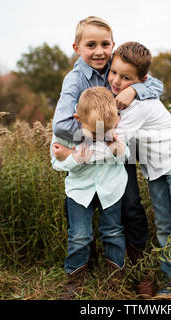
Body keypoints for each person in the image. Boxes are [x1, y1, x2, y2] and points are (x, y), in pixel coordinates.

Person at [63, 41, 171, 298]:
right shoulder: (123, 99)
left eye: (126, 78)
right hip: (155, 168)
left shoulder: (139, 105)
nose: (117, 81)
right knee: (165, 226)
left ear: (142, 80)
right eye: (114, 73)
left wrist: (73, 154)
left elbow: (112, 144)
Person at [52, 16, 162, 296]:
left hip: (120, 153)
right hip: (91, 150)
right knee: (78, 212)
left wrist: (135, 89)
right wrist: (101, 133)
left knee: (132, 207)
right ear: (77, 47)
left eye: (104, 45)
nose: (99, 51)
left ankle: (138, 270)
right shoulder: (74, 80)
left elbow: (157, 85)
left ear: (112, 45)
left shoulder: (117, 63)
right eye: (91, 45)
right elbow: (62, 125)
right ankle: (83, 268)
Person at [51, 87, 129, 299]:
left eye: (105, 130)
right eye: (94, 133)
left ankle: (115, 277)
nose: (100, 135)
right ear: (77, 118)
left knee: (113, 231)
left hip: (111, 189)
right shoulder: (65, 133)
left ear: (116, 118)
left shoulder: (116, 129)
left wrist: (86, 154)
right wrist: (73, 158)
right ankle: (75, 277)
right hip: (79, 192)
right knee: (80, 235)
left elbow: (125, 156)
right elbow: (55, 162)